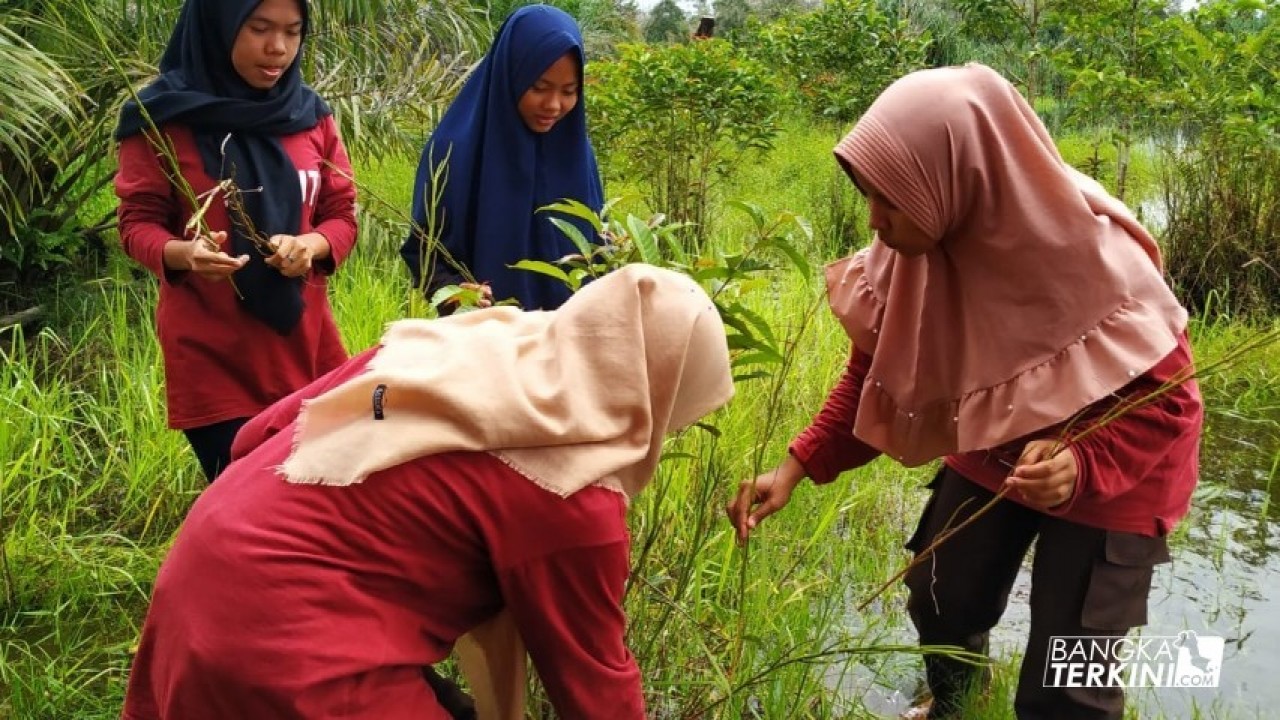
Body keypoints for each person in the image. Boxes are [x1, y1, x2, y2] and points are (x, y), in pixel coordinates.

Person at [725, 64, 1204, 720]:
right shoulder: (914, 249)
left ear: (960, 180)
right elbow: (876, 373)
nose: (874, 220)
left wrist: (1080, 462)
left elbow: (1170, 401)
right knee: (940, 596)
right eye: (869, 196)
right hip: (999, 432)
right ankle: (955, 703)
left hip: (1117, 466)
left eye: (890, 200)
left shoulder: (1097, 257)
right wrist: (797, 465)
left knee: (1068, 680)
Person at [120, 263, 735, 720]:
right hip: (287, 651)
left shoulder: (463, 344)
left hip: (197, 577)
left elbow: (255, 435)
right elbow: (595, 689)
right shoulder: (573, 491)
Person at [114, 0, 357, 482]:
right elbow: (136, 223)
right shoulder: (160, 118)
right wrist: (184, 254)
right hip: (215, 358)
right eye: (259, 29)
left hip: (308, 350)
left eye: (293, 31)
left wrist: (311, 246)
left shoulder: (310, 116)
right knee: (248, 499)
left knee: (318, 499)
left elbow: (341, 214)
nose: (278, 48)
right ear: (218, 27)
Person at [399, 4, 604, 313]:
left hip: (570, 334)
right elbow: (423, 254)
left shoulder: (576, 153)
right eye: (539, 87)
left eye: (569, 91)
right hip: (486, 333)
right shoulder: (454, 150)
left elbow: (599, 244)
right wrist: (456, 292)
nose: (554, 105)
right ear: (510, 75)